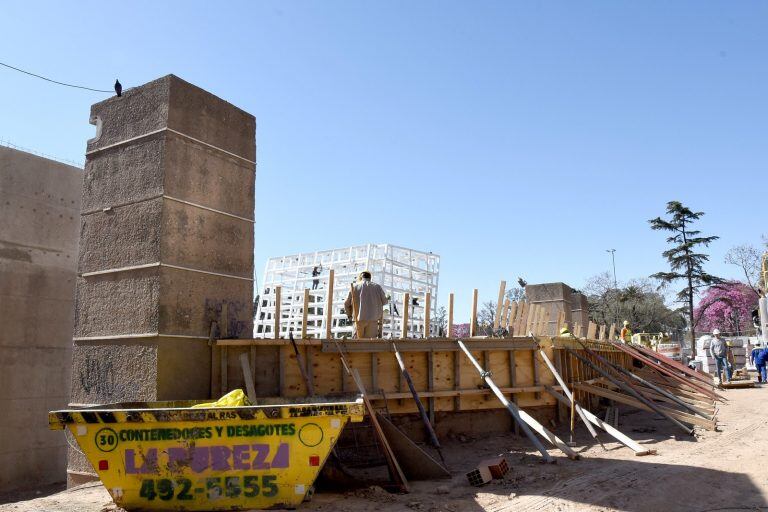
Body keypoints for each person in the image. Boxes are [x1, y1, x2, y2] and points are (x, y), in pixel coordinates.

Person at [344, 271, 388, 339]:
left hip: (358, 320)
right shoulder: (377, 287)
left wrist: (349, 316)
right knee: (370, 346)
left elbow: (346, 304)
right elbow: (385, 301)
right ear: (370, 278)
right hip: (373, 321)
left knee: (356, 345)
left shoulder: (354, 287)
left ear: (361, 277)